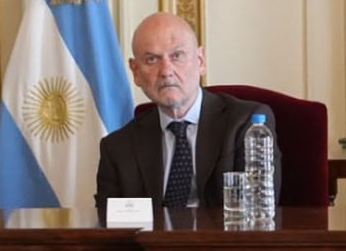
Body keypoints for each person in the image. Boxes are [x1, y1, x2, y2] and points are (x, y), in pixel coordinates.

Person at [95, 12, 276, 209]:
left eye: (177, 56)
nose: (166, 70)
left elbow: (257, 210)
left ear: (200, 61)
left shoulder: (246, 125)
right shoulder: (118, 148)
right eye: (151, 60)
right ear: (136, 72)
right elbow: (109, 226)